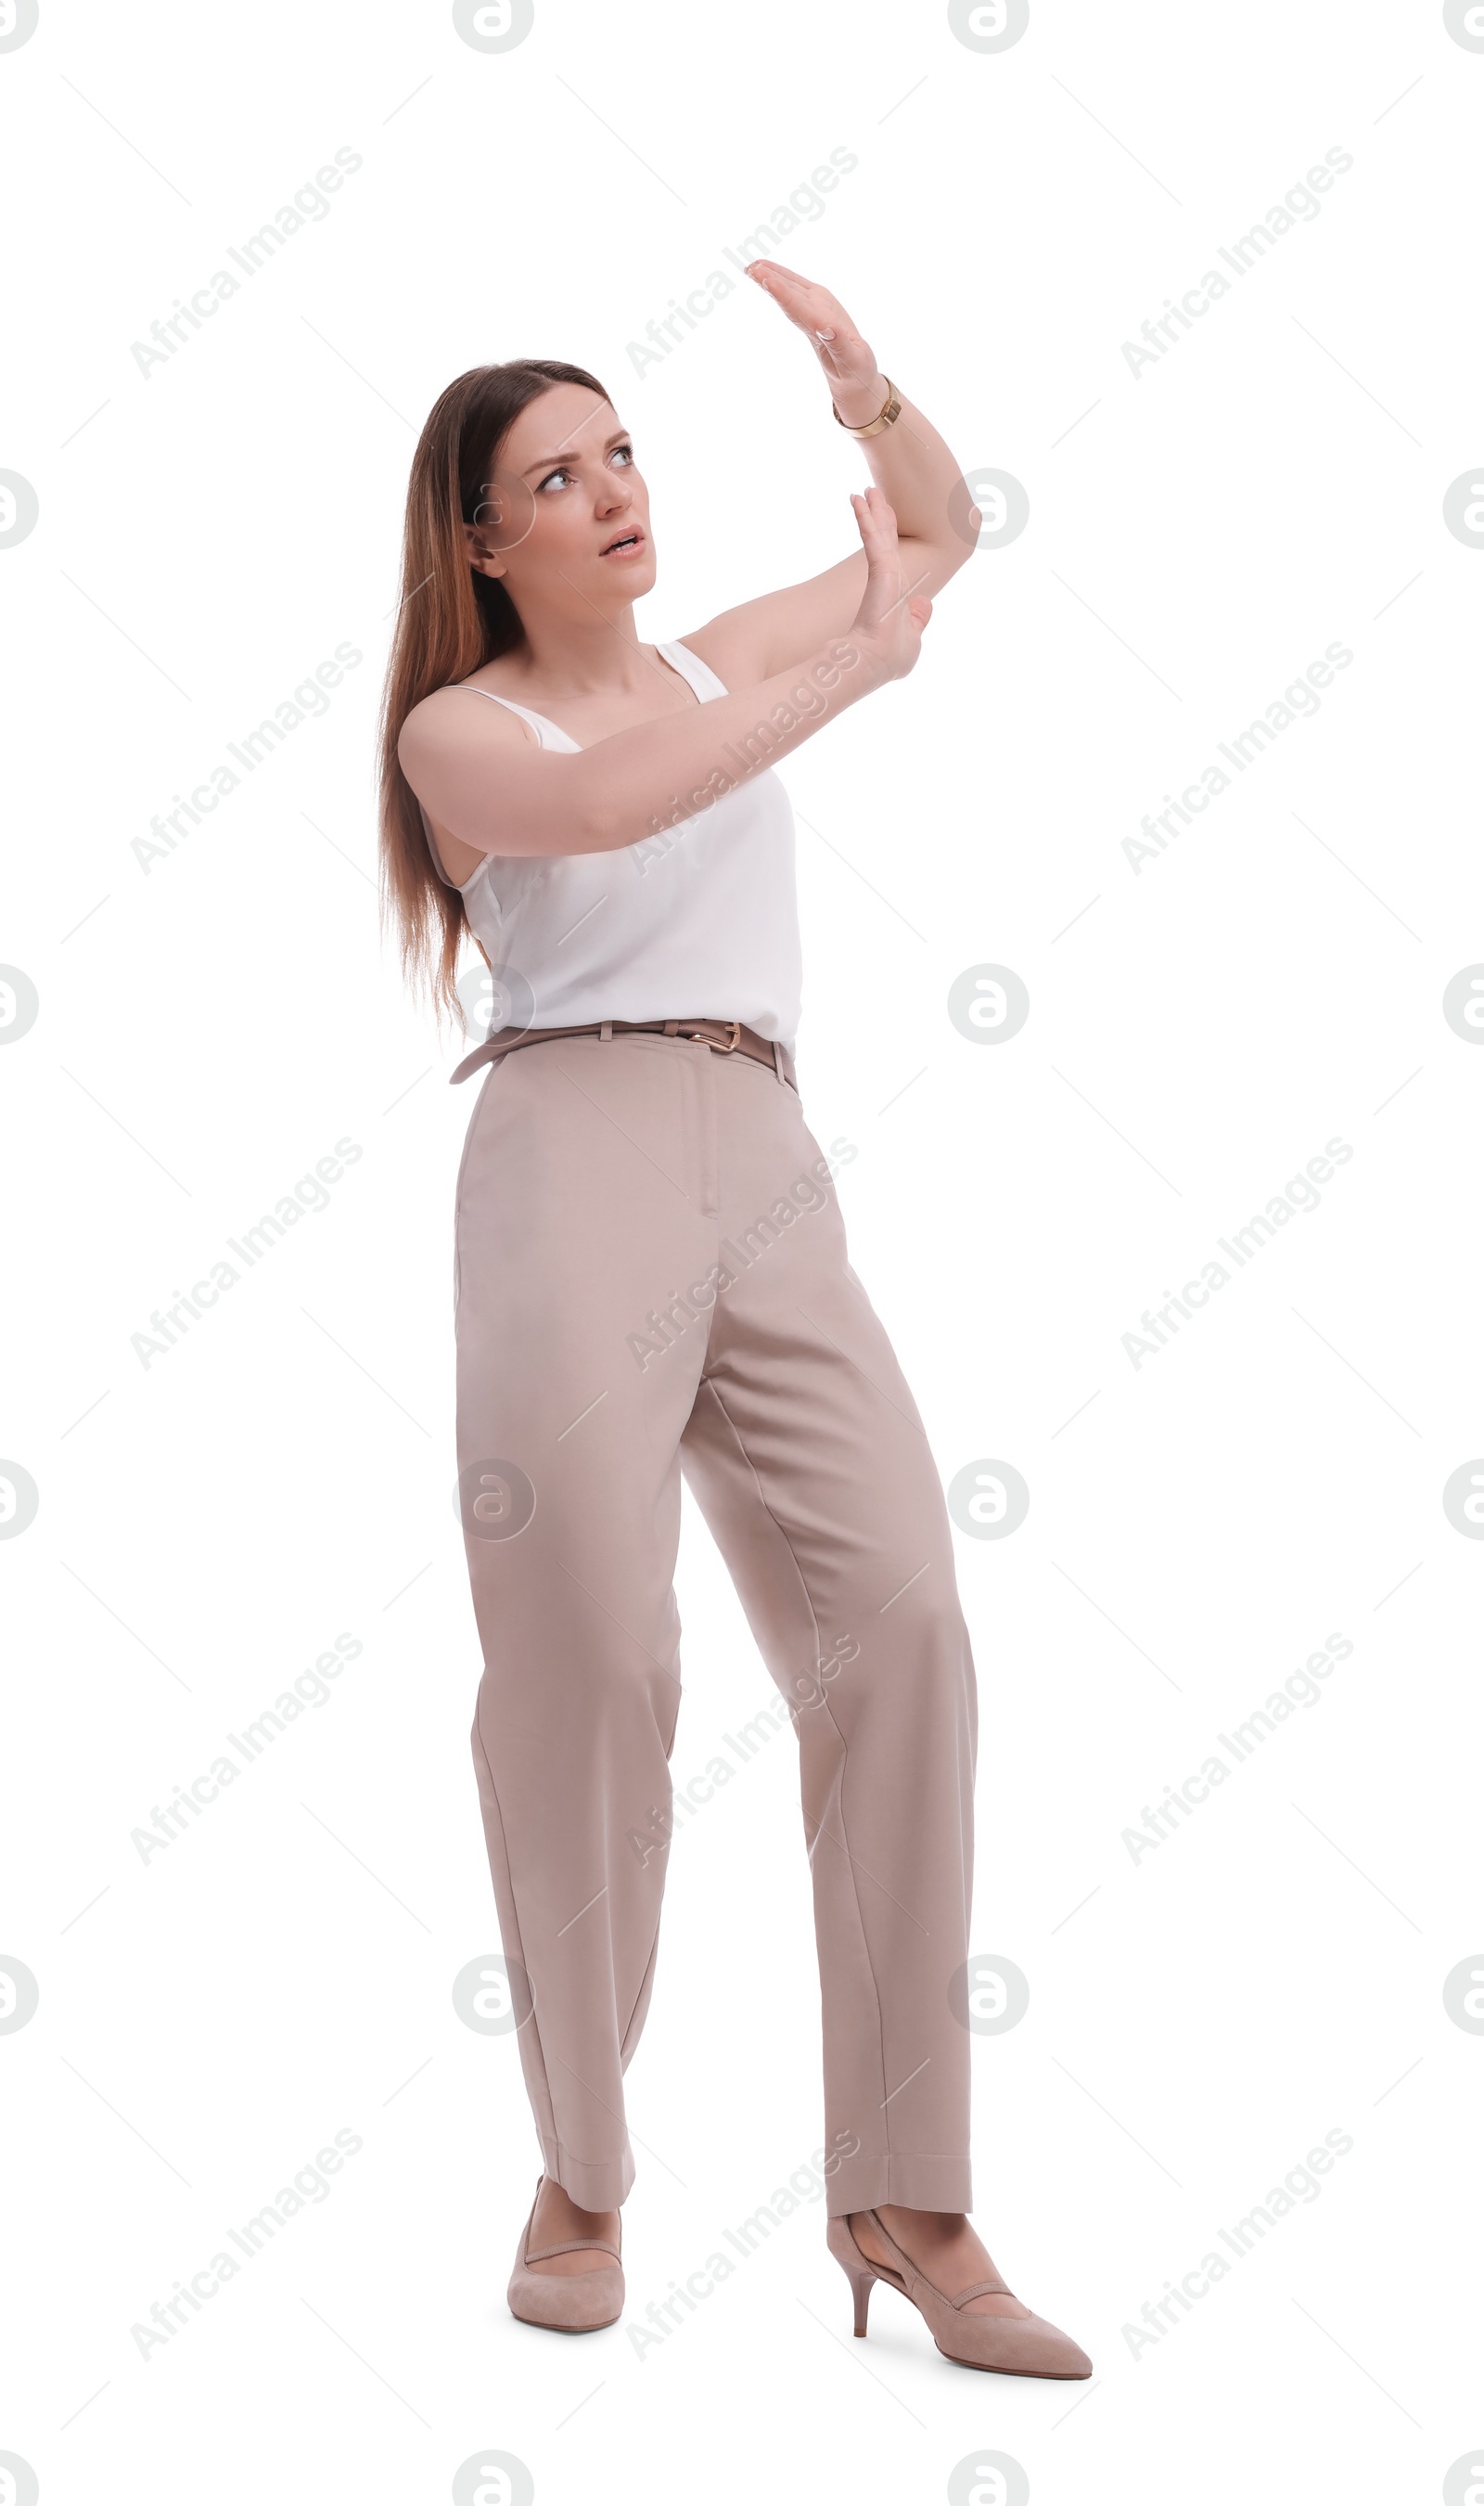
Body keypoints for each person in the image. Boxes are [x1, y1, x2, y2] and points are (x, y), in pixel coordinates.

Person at [378, 260, 1090, 2377]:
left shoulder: (705, 650)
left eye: (621, 452)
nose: (609, 492)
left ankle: (902, 2190)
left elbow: (941, 536)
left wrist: (870, 394)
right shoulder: (460, 729)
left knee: (902, 1618)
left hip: (763, 1149)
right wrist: (858, 675)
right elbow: (612, 809)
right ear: (480, 541)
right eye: (553, 475)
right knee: (592, 1658)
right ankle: (581, 2168)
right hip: (570, 1146)